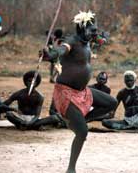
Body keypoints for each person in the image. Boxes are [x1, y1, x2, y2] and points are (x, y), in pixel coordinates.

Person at [41, 10, 117, 173]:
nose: (94, 34)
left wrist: (104, 37)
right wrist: (50, 53)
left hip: (83, 92)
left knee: (111, 103)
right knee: (82, 133)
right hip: (66, 93)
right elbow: (61, 50)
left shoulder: (88, 40)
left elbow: (100, 39)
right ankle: (71, 168)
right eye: (92, 31)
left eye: (96, 30)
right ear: (82, 29)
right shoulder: (72, 41)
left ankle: (79, 120)